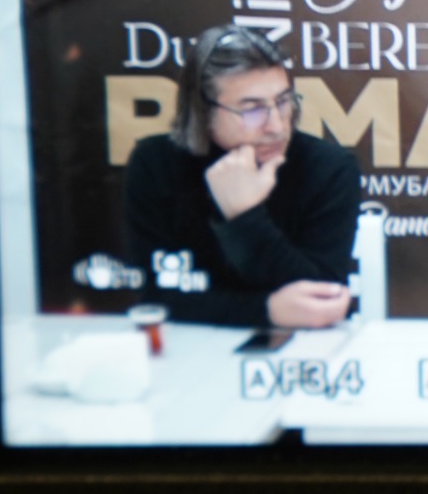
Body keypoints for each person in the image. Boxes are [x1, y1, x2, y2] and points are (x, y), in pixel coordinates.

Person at [123, 25, 361, 328]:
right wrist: (265, 310)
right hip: (188, 345)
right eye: (252, 110)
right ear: (203, 111)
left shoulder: (329, 168)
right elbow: (155, 299)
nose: (276, 126)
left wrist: (245, 217)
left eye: (283, 101)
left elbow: (320, 303)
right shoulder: (155, 164)